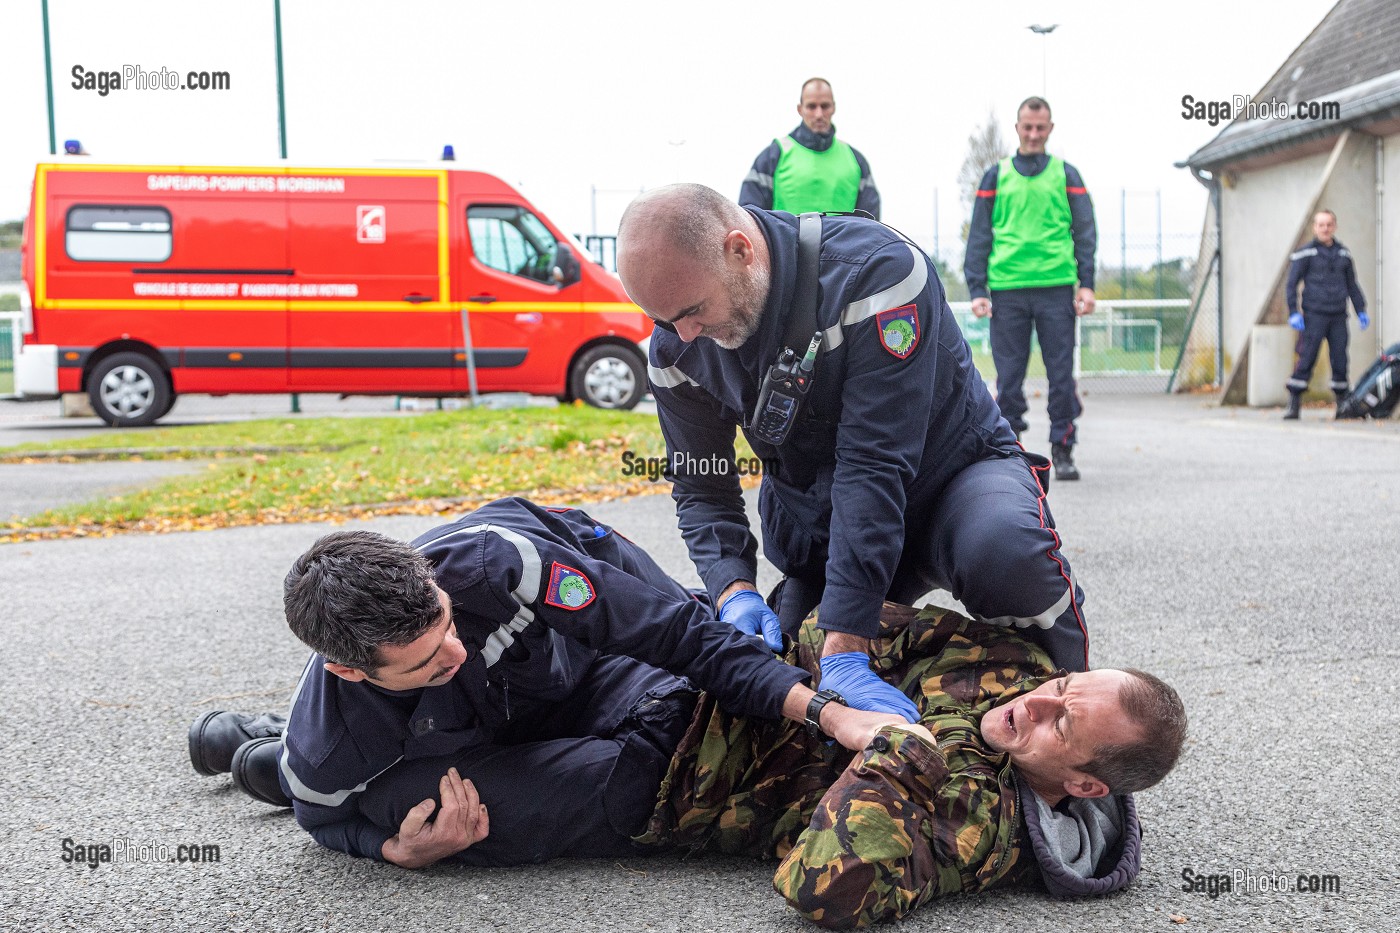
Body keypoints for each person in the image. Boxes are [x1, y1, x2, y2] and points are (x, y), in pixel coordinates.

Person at [194, 601, 1186, 928]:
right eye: (1068, 685)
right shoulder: (1005, 668)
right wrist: (849, 672)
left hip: (653, 791)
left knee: (432, 807)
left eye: (1062, 723)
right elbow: (851, 626)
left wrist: (901, 747)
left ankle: (284, 774)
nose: (1037, 702)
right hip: (689, 691)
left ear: (1085, 784)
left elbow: (825, 885)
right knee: (485, 690)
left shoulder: (984, 825)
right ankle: (278, 740)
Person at [188, 496, 896, 868]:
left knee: (704, 689)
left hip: (583, 659)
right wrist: (391, 850)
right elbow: (322, 817)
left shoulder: (497, 564)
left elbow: (670, 633)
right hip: (471, 739)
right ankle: (274, 760)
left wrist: (827, 713)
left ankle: (260, 751)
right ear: (351, 669)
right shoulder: (332, 746)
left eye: (447, 623)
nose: (455, 649)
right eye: (427, 658)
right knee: (631, 788)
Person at [615, 183, 1089, 726]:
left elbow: (873, 465)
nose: (683, 332)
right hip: (825, 514)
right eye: (661, 319)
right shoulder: (679, 344)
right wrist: (731, 588)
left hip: (951, 479)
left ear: (740, 250)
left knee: (1006, 554)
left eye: (693, 310)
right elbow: (703, 482)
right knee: (785, 687)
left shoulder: (876, 275)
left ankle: (1082, 728)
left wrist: (845, 644)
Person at [964, 96, 1097, 481]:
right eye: (1028, 127)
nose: (1034, 134)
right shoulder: (995, 176)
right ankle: (1011, 452)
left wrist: (1086, 284)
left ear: (1050, 128)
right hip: (1007, 288)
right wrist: (977, 287)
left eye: (1041, 127)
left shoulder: (1067, 175)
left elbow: (1085, 233)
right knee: (1008, 379)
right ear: (1018, 128)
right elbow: (979, 235)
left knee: (1060, 377)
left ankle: (1063, 448)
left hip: (1057, 287)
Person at [739, 77, 881, 219]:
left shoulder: (855, 161)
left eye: (825, 106)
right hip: (786, 242)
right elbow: (748, 218)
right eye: (811, 106)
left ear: (834, 107)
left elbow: (872, 226)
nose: (819, 114)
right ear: (800, 109)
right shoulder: (773, 156)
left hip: (843, 242)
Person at [1283, 209, 1370, 419]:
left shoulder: (1344, 254)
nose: (1325, 228)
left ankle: (1342, 406)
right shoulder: (1305, 253)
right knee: (1306, 360)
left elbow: (1352, 285)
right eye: (1321, 225)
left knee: (1340, 360)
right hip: (1313, 317)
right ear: (1315, 228)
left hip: (1338, 316)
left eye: (1329, 224)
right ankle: (1293, 405)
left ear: (1335, 227)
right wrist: (1294, 312)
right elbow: (1291, 284)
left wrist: (1361, 310)